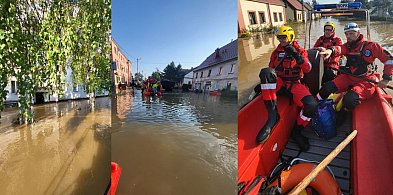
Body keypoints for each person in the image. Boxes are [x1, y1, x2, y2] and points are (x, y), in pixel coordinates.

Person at [256, 26, 317, 151]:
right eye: (279, 38)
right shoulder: (275, 53)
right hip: (280, 83)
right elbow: (271, 70)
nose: (281, 40)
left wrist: (296, 55)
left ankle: (297, 131)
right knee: (266, 72)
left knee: (311, 105)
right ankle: (273, 117)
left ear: (290, 37)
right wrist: (264, 80)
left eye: (283, 38)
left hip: (295, 84)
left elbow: (307, 69)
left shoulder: (300, 50)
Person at [317, 23, 393, 120]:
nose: (349, 36)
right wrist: (330, 51)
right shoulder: (348, 46)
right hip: (348, 77)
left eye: (352, 33)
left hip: (365, 80)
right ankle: (316, 106)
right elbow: (339, 48)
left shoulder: (371, 46)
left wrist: (386, 79)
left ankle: (342, 116)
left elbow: (389, 60)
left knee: (349, 100)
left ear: (358, 33)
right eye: (347, 34)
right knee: (326, 88)